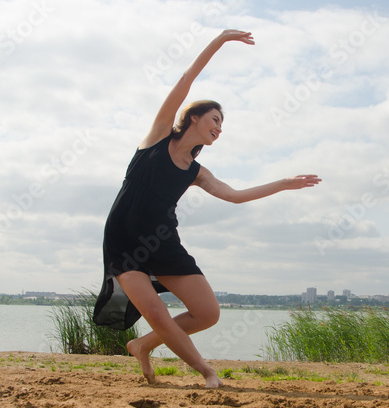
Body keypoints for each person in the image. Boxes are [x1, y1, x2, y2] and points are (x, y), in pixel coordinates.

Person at [93, 28, 321, 388]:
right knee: (155, 311)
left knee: (208, 313)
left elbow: (234, 195)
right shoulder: (157, 138)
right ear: (194, 118)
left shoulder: (197, 171)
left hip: (163, 241)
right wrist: (220, 41)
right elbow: (186, 80)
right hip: (124, 238)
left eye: (222, 124)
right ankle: (206, 371)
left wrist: (284, 184)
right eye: (215, 119)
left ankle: (141, 346)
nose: (219, 127)